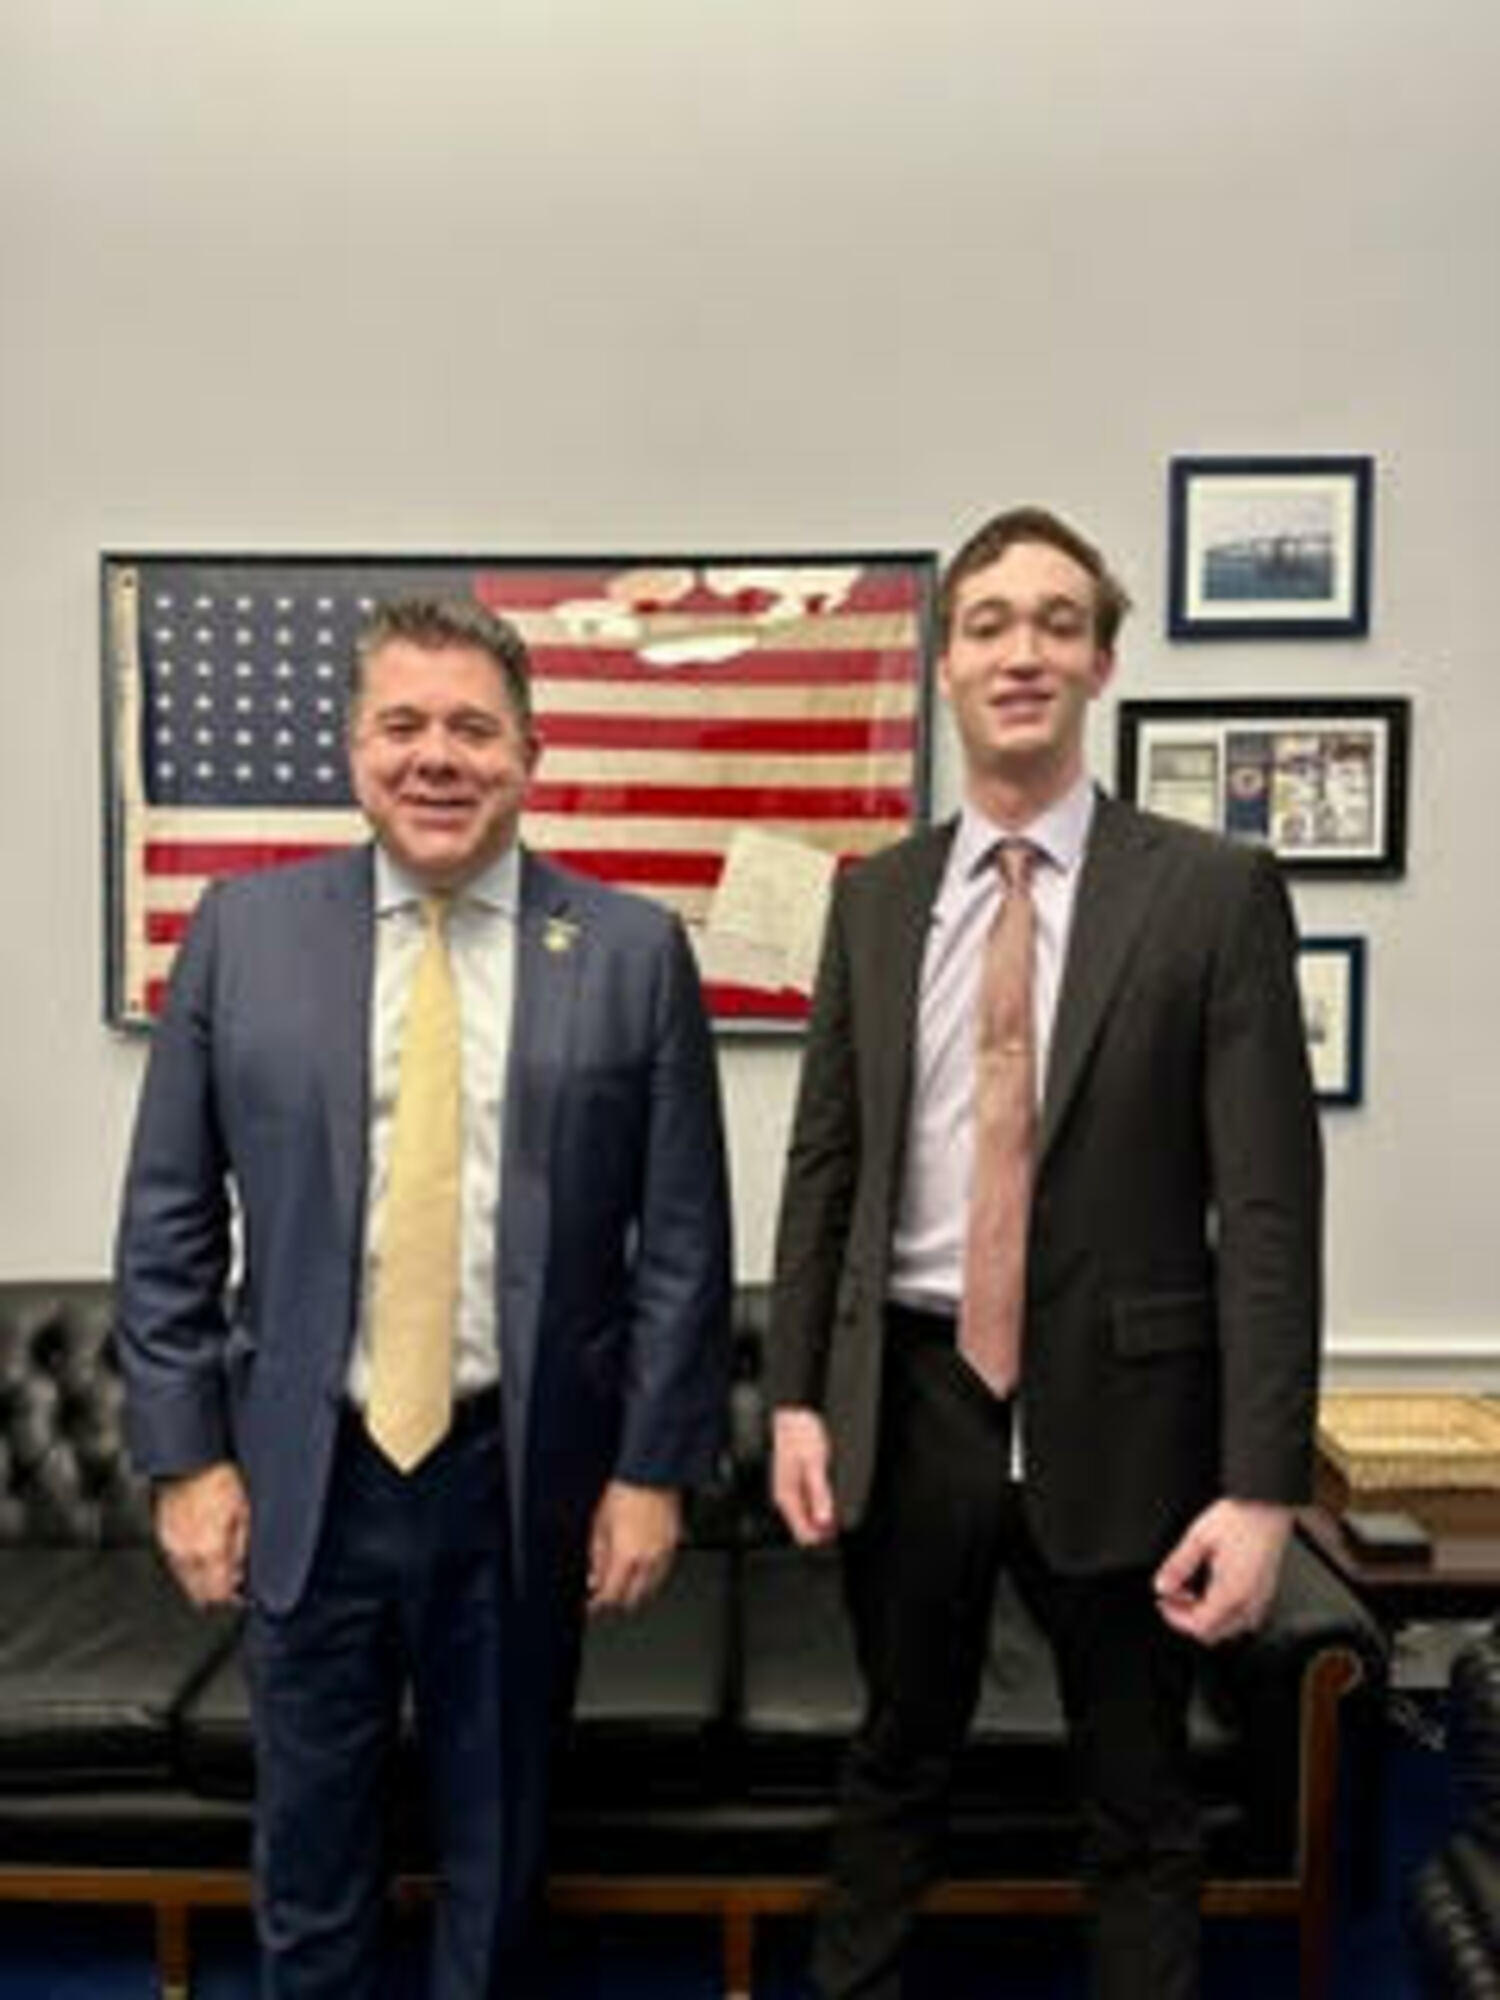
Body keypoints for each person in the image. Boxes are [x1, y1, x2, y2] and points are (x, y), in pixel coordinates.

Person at [114, 596, 732, 1997]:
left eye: (472, 727)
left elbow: (684, 1242)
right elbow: (164, 1221)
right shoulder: (243, 932)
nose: (436, 757)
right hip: (304, 1471)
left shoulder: (632, 953)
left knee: (500, 1846)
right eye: (404, 725)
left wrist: (651, 1473)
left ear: (529, 753)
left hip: (522, 1473)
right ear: (353, 749)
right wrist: (186, 1457)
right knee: (310, 1852)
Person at [767, 506, 1322, 2000]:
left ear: (1103, 660)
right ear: (947, 663)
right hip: (916, 1394)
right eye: (992, 623)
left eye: (1058, 623)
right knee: (896, 1763)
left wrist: (1264, 1488)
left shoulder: (1210, 893)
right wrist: (800, 1400)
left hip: (1133, 1413)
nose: (1025, 651)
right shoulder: (874, 899)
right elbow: (826, 1163)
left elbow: (1268, 1210)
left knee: (1140, 1799)